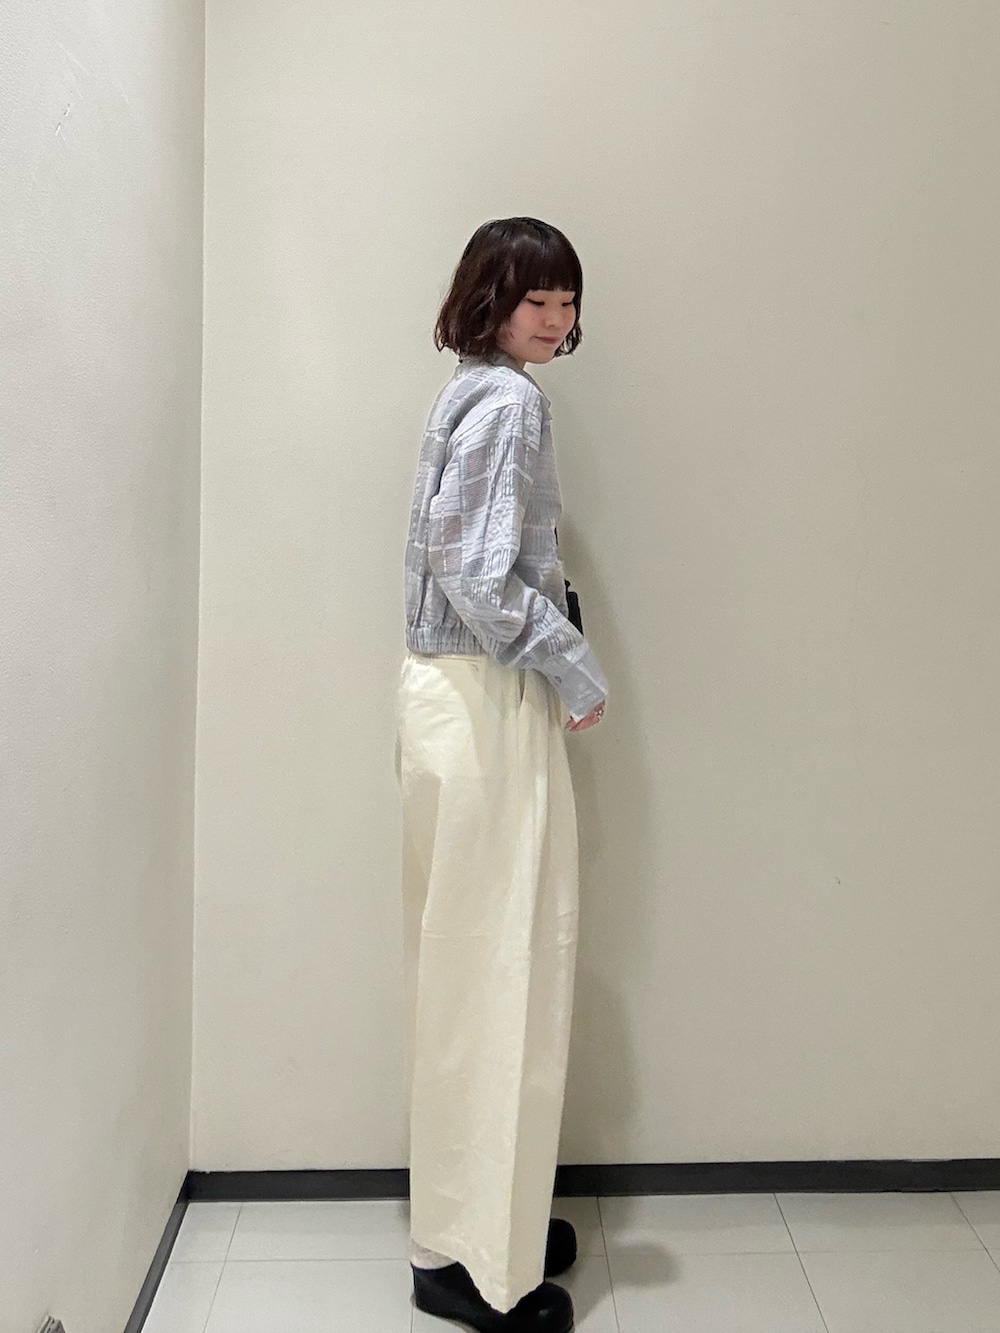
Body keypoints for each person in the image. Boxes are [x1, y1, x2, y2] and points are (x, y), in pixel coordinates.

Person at [395, 217, 609, 1333]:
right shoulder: (510, 403)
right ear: (490, 296)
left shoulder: (468, 390)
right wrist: (572, 665)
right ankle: (473, 1261)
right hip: (482, 698)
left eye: (567, 302)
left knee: (466, 967)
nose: (556, 320)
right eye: (537, 299)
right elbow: (476, 575)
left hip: (447, 695)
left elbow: (456, 560)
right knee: (500, 967)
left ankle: (481, 1220)